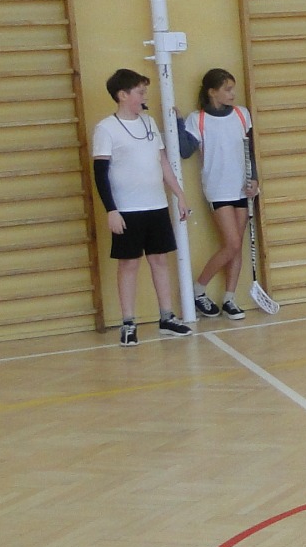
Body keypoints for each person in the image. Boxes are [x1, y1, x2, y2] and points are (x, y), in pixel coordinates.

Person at [92, 68, 193, 343]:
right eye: (140, 92)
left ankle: (167, 317)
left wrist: (179, 194)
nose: (144, 97)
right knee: (129, 264)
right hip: (127, 210)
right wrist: (111, 210)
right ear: (122, 95)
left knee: (160, 260)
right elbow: (100, 174)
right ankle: (128, 323)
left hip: (156, 206)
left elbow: (163, 163)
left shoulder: (149, 123)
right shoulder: (106, 129)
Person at [179, 67, 258, 320]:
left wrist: (255, 179)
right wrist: (177, 124)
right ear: (212, 92)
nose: (233, 94)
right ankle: (198, 290)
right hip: (218, 188)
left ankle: (229, 298)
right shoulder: (198, 119)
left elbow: (250, 150)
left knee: (237, 245)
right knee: (231, 244)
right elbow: (184, 152)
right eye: (227, 89)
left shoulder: (241, 114)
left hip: (241, 187)